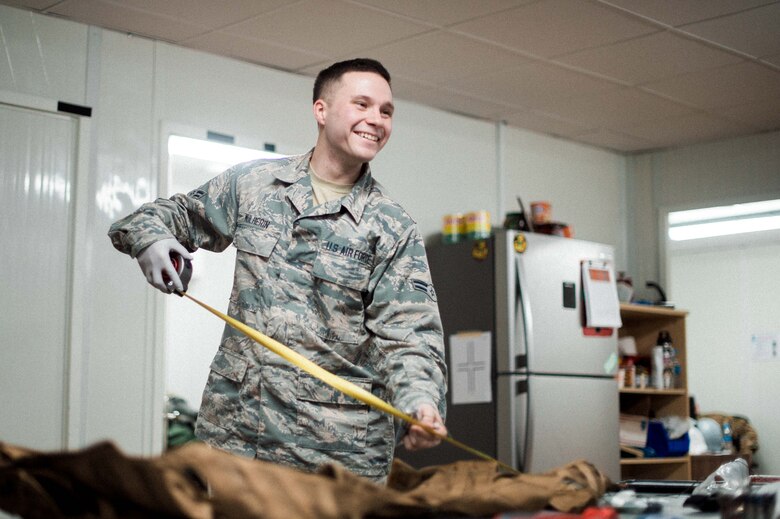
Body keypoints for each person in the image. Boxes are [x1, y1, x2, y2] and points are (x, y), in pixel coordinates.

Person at [108, 58, 447, 482]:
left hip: (335, 458)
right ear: (321, 110)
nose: (376, 120)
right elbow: (161, 216)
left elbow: (410, 334)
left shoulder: (392, 227)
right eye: (362, 104)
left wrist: (421, 403)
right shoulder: (254, 184)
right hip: (238, 441)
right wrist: (150, 239)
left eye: (386, 111)